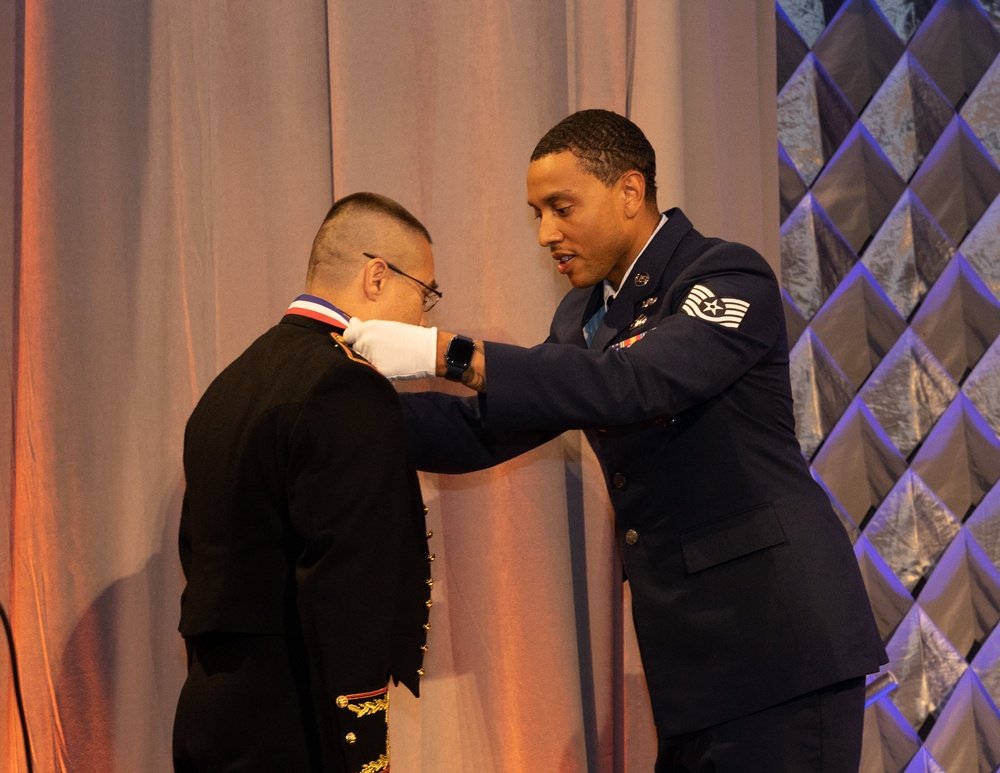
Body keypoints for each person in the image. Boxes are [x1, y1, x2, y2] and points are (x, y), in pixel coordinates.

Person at [344, 110, 888, 772]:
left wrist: (448, 353)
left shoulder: (726, 275)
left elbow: (637, 381)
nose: (546, 233)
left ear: (629, 192)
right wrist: (340, 404)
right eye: (536, 213)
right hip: (694, 669)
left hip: (782, 651)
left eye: (561, 207)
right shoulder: (585, 314)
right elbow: (485, 426)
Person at [173, 192, 439, 772]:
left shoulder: (228, 386)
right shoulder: (346, 386)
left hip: (208, 712)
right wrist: (362, 752)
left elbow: (197, 550)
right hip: (293, 719)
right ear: (377, 275)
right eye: (425, 294)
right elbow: (347, 586)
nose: (425, 319)